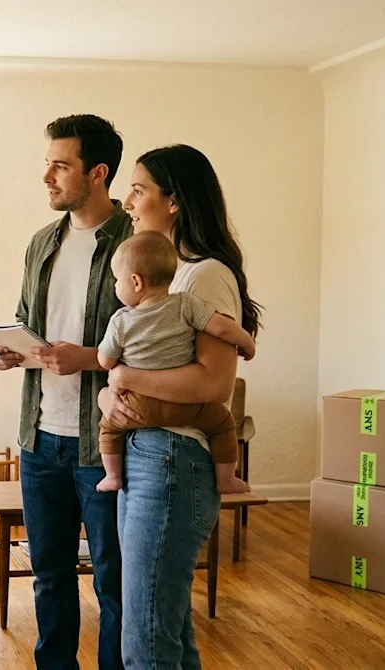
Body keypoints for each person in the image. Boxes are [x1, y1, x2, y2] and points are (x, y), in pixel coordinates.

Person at [100, 144, 262, 668]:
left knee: (146, 634)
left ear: (174, 202)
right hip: (150, 454)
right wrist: (111, 391)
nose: (126, 201)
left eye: (139, 189)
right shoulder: (169, 280)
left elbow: (213, 384)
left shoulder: (205, 275)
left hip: (171, 460)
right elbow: (128, 366)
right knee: (162, 624)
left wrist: (124, 376)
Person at [0, 114, 131, 670]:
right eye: (46, 163)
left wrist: (89, 357)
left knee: (114, 583)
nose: (47, 176)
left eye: (60, 165)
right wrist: (10, 349)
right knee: (49, 576)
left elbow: (152, 344)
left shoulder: (136, 244)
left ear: (97, 173)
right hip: (39, 438)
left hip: (108, 446)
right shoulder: (41, 243)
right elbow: (29, 321)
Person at [93, 230, 256, 494]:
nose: (115, 286)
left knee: (108, 429)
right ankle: (226, 479)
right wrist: (247, 343)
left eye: (116, 280)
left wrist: (113, 364)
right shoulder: (185, 304)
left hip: (136, 407)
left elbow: (105, 360)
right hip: (187, 408)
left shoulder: (121, 320)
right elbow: (222, 328)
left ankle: (112, 476)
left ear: (135, 282)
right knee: (224, 424)